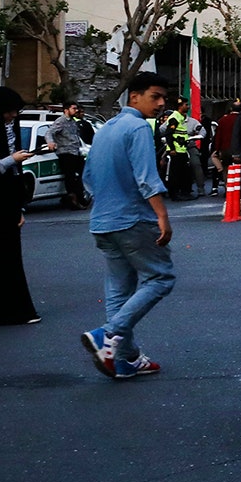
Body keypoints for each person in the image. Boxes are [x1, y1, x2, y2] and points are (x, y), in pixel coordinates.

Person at [81, 72, 176, 377]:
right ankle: (107, 334)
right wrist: (162, 216)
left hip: (102, 220)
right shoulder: (137, 127)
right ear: (134, 96)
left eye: (164, 98)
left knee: (119, 292)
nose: (161, 104)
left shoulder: (106, 128)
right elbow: (147, 178)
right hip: (133, 219)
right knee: (161, 278)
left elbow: (88, 179)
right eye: (155, 96)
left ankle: (125, 358)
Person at [0, 86, 42, 326]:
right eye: (9, 112)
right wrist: (11, 159)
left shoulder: (10, 129)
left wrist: (19, 208)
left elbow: (14, 174)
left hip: (6, 203)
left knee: (9, 260)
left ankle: (14, 310)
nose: (13, 117)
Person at [48, 101, 90, 209]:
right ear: (66, 110)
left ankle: (80, 197)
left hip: (75, 152)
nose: (76, 111)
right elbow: (49, 132)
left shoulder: (72, 121)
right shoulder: (61, 121)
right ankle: (73, 198)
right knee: (70, 175)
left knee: (81, 173)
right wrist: (50, 142)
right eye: (74, 109)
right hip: (65, 152)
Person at [161, 101, 194, 200]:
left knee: (183, 173)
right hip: (176, 151)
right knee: (175, 174)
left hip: (181, 149)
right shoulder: (174, 118)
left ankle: (184, 193)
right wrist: (171, 149)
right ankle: (174, 195)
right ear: (180, 106)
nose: (188, 107)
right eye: (186, 105)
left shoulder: (180, 117)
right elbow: (169, 134)